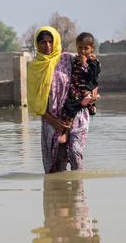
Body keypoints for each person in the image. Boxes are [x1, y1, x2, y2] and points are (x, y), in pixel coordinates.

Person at [27, 26, 95, 174]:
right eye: (43, 42)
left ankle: (78, 191)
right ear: (37, 44)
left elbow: (90, 78)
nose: (48, 46)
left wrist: (93, 94)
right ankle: (60, 194)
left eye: (50, 42)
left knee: (76, 153)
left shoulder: (68, 59)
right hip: (51, 119)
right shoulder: (34, 67)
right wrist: (54, 122)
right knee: (57, 162)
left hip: (75, 114)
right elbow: (35, 101)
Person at [57, 32, 101, 144]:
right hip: (75, 90)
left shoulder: (94, 62)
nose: (82, 51)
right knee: (67, 105)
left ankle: (65, 132)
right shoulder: (74, 59)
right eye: (80, 47)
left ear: (92, 49)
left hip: (84, 90)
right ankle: (84, 103)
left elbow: (91, 76)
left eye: (86, 48)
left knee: (70, 107)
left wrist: (84, 63)